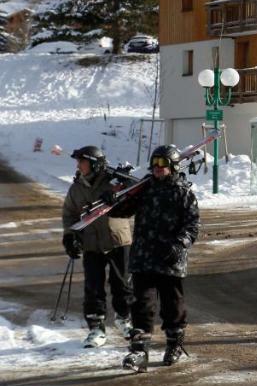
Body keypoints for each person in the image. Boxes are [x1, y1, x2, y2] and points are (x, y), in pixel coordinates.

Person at [109, 144, 200, 372]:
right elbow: (121, 211)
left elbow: (192, 225)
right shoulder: (144, 189)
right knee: (141, 304)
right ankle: (139, 351)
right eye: (154, 163)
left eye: (163, 163)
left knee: (172, 305)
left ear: (173, 166)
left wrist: (180, 245)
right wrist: (113, 198)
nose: (157, 168)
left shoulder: (183, 193)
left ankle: (174, 343)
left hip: (170, 259)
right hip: (143, 258)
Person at [61, 145, 134, 348]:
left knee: (122, 284)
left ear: (94, 164)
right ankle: (96, 327)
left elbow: (133, 201)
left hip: (118, 239)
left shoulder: (115, 181)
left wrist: (120, 191)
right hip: (91, 243)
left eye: (82, 162)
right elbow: (69, 214)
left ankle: (124, 319)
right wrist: (70, 237)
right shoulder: (77, 187)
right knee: (93, 287)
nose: (78, 165)